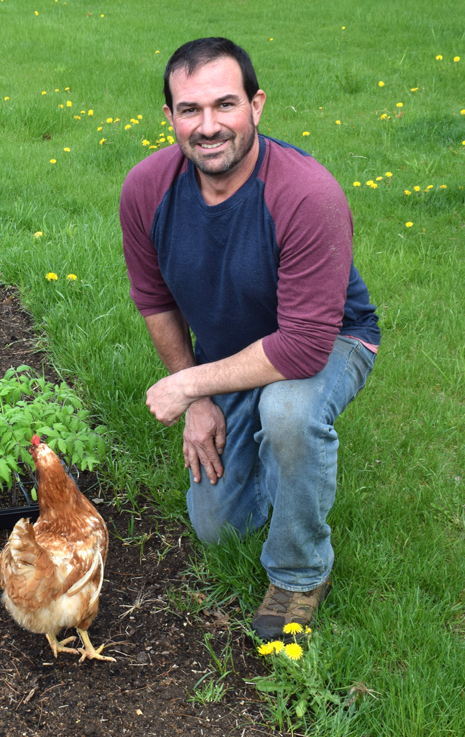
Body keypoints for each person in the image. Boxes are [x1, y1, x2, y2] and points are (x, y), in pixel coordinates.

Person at [119, 37, 380, 639]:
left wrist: (186, 384)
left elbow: (303, 349)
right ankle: (277, 454)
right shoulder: (146, 189)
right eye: (189, 110)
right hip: (236, 353)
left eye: (225, 105)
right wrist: (201, 402)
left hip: (331, 339)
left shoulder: (306, 195)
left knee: (288, 408)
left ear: (256, 106)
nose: (208, 126)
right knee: (219, 526)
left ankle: (299, 572)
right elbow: (155, 299)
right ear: (169, 118)